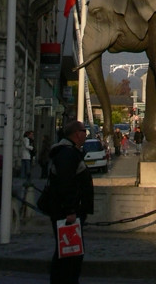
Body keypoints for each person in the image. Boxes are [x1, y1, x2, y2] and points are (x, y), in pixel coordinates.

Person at [46, 119, 94, 284]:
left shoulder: (70, 152)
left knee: (68, 252)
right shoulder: (67, 154)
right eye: (84, 131)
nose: (86, 135)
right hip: (66, 213)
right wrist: (70, 210)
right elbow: (65, 183)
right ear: (76, 134)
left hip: (67, 210)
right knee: (69, 254)